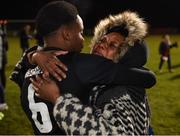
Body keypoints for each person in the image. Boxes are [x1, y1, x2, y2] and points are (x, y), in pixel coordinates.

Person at [10, 1, 155, 135]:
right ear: (67, 34)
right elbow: (148, 78)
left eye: (112, 45)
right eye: (102, 39)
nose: (101, 44)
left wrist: (35, 56)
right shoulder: (86, 66)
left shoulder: (122, 92)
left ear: (125, 56)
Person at [0, 20, 8, 111]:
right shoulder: (3, 35)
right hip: (2, 59)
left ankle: (2, 102)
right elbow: (7, 47)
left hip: (1, 59)